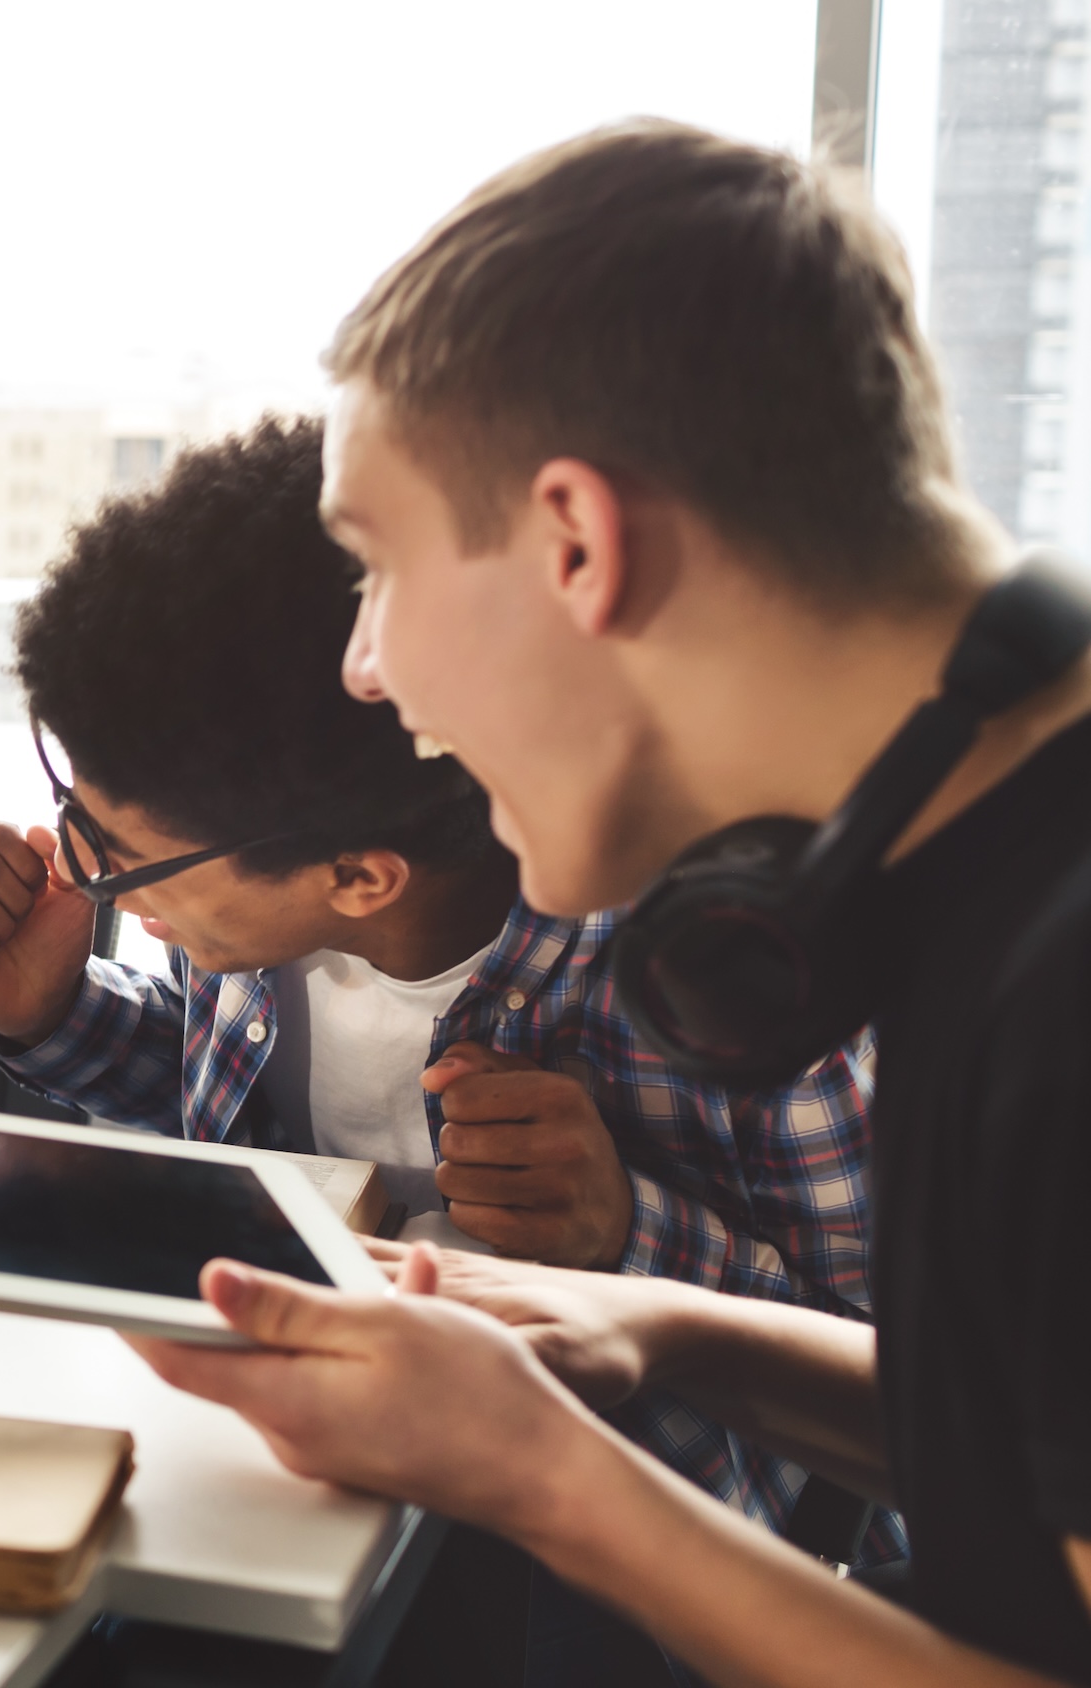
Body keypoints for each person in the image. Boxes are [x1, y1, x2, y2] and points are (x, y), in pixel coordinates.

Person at [128, 122, 1091, 1685]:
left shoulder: (1058, 980)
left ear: (576, 541)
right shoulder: (986, 840)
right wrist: (653, 1329)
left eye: (372, 565)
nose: (366, 666)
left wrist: (545, 1476)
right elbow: (1022, 1446)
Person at [0, 416, 881, 1580]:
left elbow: (893, 1381)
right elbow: (237, 1115)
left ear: (362, 877)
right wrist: (54, 1011)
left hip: (631, 1575)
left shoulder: (742, 969)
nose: (71, 866)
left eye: (118, 855)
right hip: (286, 1490)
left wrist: (626, 1233)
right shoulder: (268, 886)